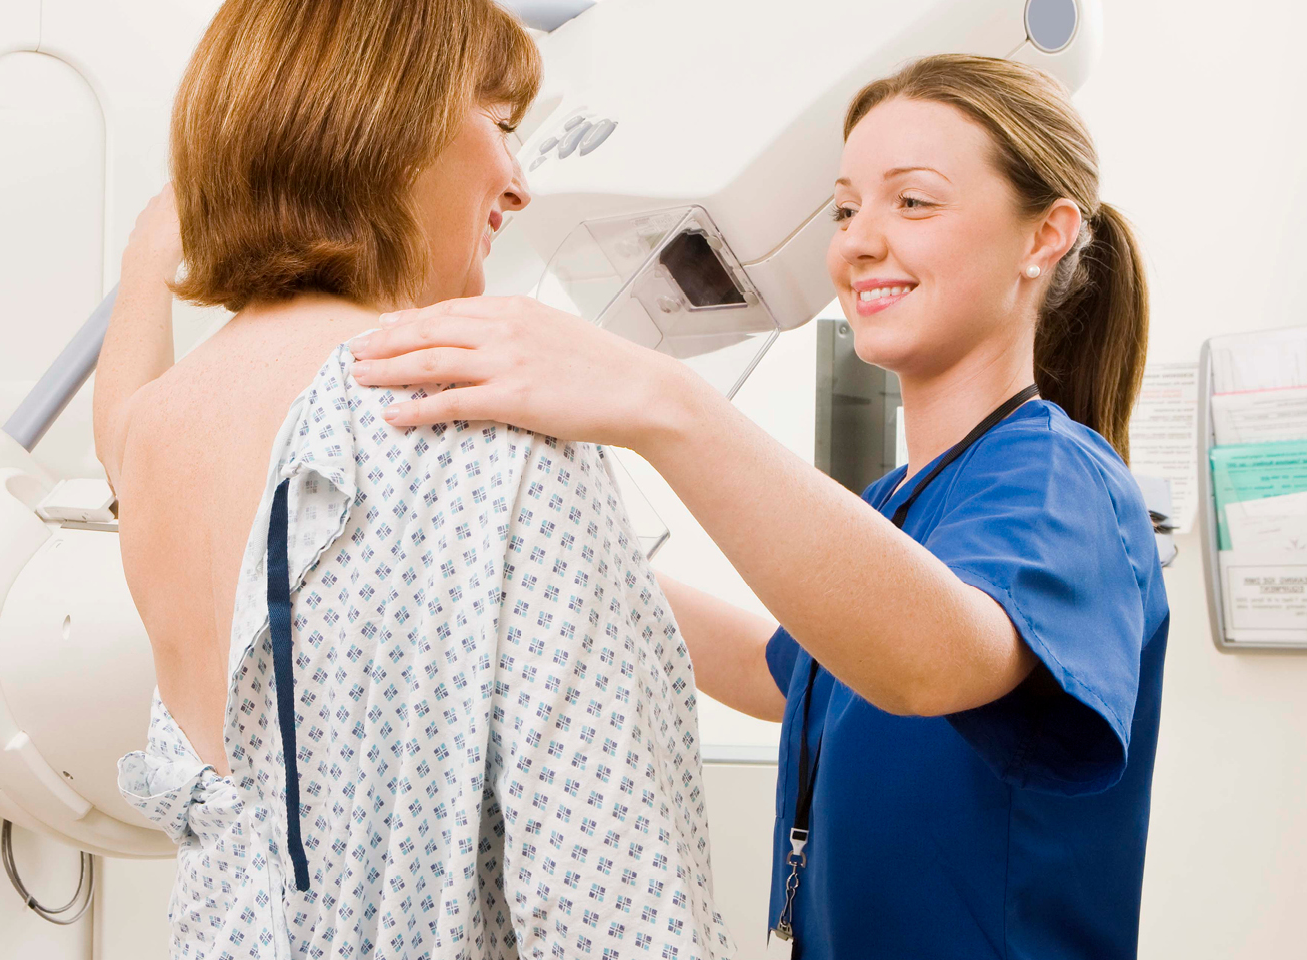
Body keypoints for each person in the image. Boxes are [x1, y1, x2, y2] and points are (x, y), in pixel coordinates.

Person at [350, 53, 1167, 959]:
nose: (857, 241)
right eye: (846, 208)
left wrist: (661, 402)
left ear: (1045, 236)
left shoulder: (1062, 478)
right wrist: (537, 533)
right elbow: (779, 673)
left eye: (915, 201)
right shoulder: (897, 502)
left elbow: (932, 663)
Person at [96, 1, 735, 957]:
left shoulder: (154, 441)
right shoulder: (481, 416)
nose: (519, 185)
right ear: (381, 121)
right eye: (503, 126)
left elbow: (122, 423)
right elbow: (613, 909)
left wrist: (150, 252)